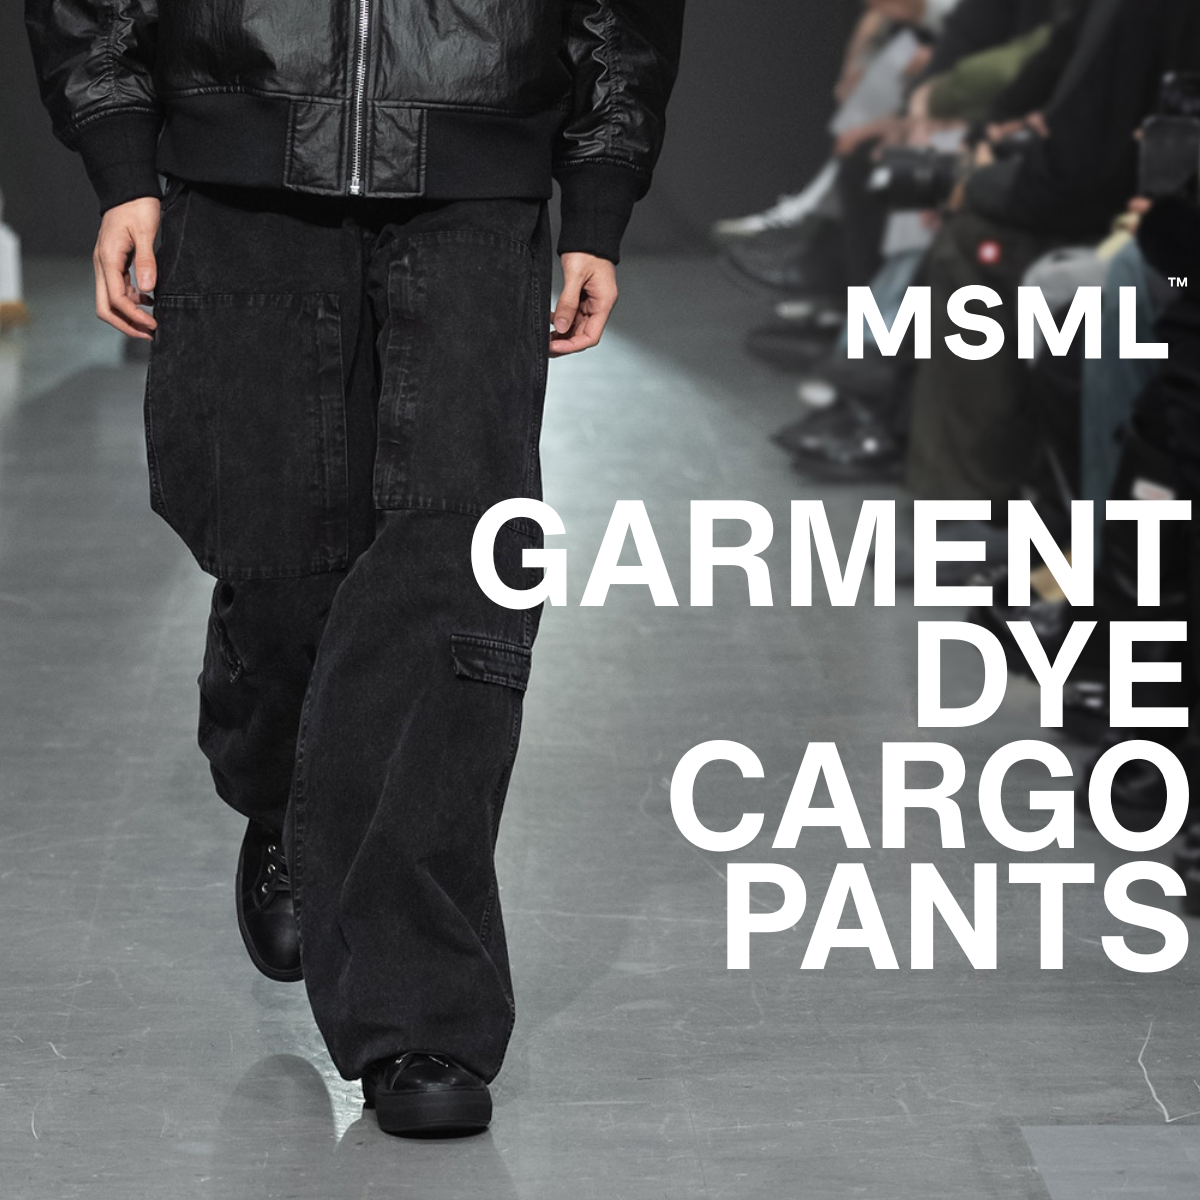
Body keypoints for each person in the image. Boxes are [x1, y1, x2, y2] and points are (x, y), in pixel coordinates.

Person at [25, 0, 685, 1138]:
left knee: (453, 578)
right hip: (242, 161)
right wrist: (121, 159)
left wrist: (600, 193)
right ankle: (288, 795)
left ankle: (421, 1013)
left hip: (478, 166)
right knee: (279, 561)